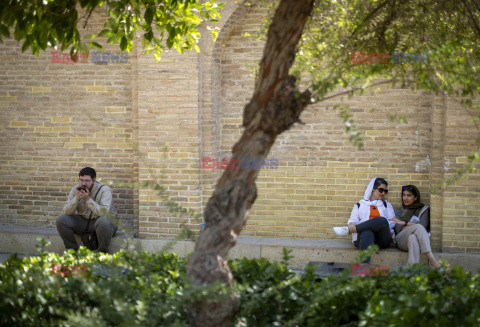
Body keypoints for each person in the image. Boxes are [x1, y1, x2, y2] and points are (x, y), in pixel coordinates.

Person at [334, 177, 396, 263]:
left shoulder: (387, 205)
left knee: (382, 220)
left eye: (385, 191)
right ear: (373, 189)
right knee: (367, 232)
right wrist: (355, 224)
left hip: (382, 238)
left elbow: (392, 222)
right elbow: (352, 220)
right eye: (381, 190)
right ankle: (363, 270)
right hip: (364, 238)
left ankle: (348, 231)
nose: (383, 193)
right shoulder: (359, 205)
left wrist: (374, 224)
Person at [56, 167, 117, 253]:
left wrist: (87, 199)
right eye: (81, 180)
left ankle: (102, 252)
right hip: (85, 221)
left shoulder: (104, 190)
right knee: (61, 220)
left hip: (105, 223)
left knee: (104, 221)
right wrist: (77, 198)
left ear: (94, 181)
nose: (83, 183)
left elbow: (104, 212)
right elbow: (66, 211)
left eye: (87, 181)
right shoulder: (75, 189)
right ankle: (73, 252)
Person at [389, 185, 441, 267]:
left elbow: (423, 225)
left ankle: (412, 270)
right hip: (401, 240)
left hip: (416, 240)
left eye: (409, 195)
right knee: (418, 227)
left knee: (412, 238)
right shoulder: (398, 211)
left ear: (415, 197)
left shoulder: (423, 209)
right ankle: (432, 259)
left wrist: (404, 223)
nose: (405, 198)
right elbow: (398, 229)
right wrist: (411, 226)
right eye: (404, 195)